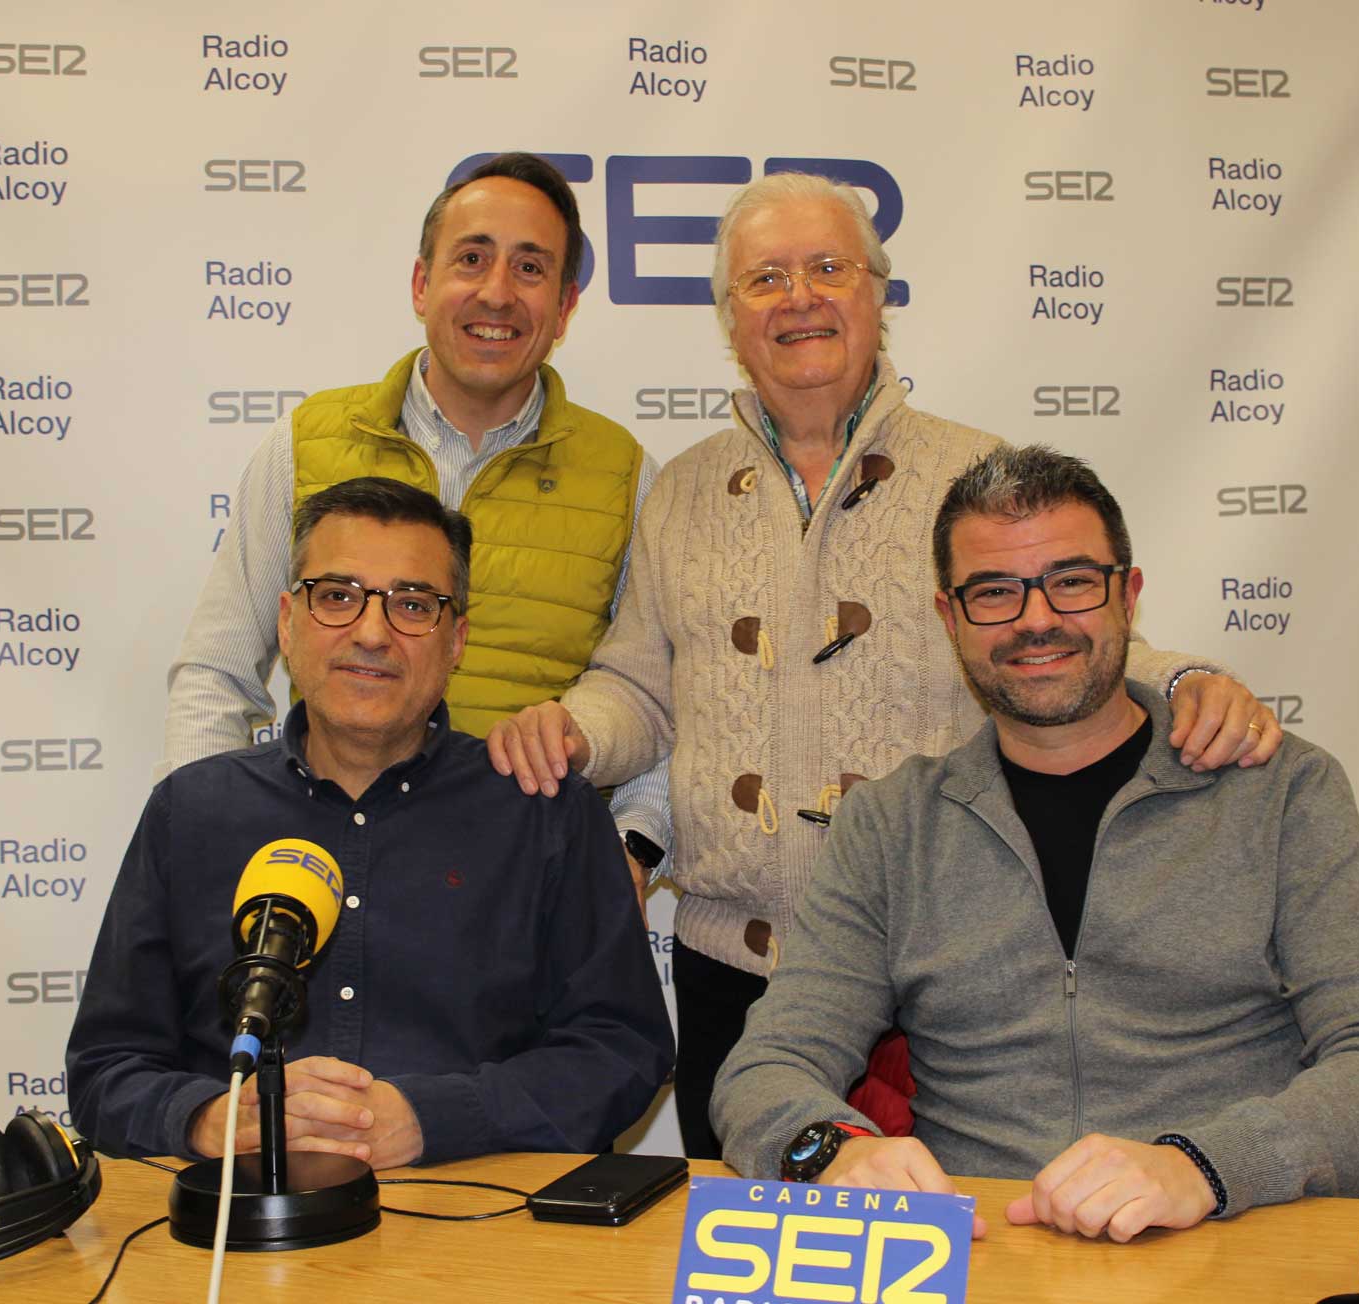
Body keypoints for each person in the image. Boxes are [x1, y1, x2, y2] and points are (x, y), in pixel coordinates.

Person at [485, 171, 1287, 1158]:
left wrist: (1187, 683)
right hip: (728, 970)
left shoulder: (974, 474)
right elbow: (638, 688)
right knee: (759, 1265)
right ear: (731, 317)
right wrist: (575, 727)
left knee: (954, 1252)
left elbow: (1060, 641)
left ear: (878, 293)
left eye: (829, 267)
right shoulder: (684, 491)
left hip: (943, 979)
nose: (800, 297)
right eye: (765, 278)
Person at [709, 445, 1359, 1240]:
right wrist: (833, 1153)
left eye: (1071, 582)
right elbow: (764, 1068)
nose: (1036, 619)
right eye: (994, 592)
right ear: (948, 618)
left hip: (1235, 1240)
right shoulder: (891, 825)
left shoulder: (1283, 791)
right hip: (986, 1254)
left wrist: (1201, 1167)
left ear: (1127, 594)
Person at [67, 478, 675, 1166]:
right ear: (287, 624)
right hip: (234, 1235)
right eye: (337, 597)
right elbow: (105, 1070)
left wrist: (434, 1118)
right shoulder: (192, 813)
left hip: (475, 1227)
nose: (371, 633)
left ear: (457, 642)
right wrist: (210, 1120)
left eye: (414, 605)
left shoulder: (541, 811)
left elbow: (622, 1051)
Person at [162, 152, 671, 904]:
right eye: (472, 258)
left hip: (523, 896)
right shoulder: (306, 444)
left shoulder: (625, 478)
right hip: (318, 882)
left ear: (564, 308)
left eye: (530, 269)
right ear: (421, 283)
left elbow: (659, 698)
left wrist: (632, 846)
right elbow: (217, 671)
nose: (497, 294)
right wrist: (206, 843)